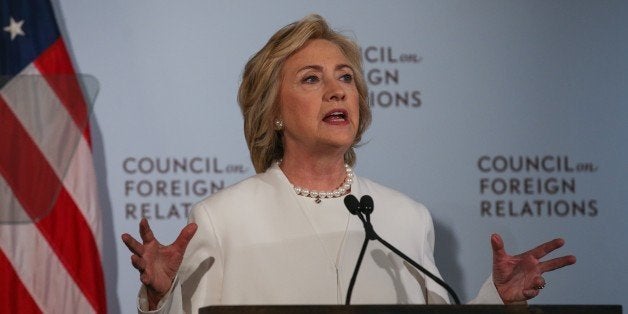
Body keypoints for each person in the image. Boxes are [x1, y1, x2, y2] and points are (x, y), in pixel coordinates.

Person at [121, 14, 576, 313]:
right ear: (274, 111)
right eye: (311, 79)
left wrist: (498, 300)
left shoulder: (405, 218)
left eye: (345, 78)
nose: (338, 90)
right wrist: (159, 297)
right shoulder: (222, 219)